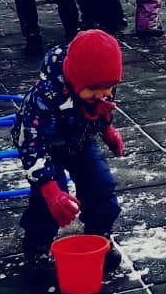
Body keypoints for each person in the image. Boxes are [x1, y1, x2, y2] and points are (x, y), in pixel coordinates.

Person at [11, 30, 126, 274]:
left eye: (110, 87)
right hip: (46, 149)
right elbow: (31, 145)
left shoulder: (101, 85)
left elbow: (99, 109)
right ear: (76, 79)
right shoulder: (43, 97)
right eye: (96, 89)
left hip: (81, 142)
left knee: (101, 185)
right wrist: (51, 191)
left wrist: (108, 131)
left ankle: (100, 235)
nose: (103, 94)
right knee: (52, 200)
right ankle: (37, 245)